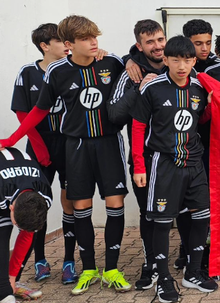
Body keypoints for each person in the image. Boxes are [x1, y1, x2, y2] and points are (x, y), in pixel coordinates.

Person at [0, 15, 130, 295]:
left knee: (114, 204)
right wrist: (12, 138)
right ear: (69, 44)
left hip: (109, 144)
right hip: (77, 146)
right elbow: (40, 110)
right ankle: (89, 270)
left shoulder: (113, 63)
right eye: (86, 38)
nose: (94, 42)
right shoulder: (57, 71)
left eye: (95, 36)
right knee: (80, 207)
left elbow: (138, 72)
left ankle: (112, 269)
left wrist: (131, 60)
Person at [131, 35, 218, 302]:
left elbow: (199, 118)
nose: (182, 65)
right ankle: (163, 278)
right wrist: (138, 165)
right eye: (176, 60)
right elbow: (138, 127)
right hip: (163, 163)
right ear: (166, 60)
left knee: (201, 216)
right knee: (162, 221)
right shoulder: (153, 88)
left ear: (194, 61)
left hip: (194, 162)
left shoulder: (198, 88)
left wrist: (212, 107)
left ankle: (192, 272)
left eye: (187, 60)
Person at [10, 22, 78, 290]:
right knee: (37, 202)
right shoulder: (27, 73)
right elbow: (22, 113)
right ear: (45, 46)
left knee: (71, 201)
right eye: (62, 41)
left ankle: (70, 260)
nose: (67, 46)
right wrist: (38, 147)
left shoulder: (73, 67)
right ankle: (39, 260)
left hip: (70, 145)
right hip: (39, 148)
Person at [108, 19, 168, 291]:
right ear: (139, 46)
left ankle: (188, 263)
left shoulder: (178, 63)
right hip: (144, 158)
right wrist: (139, 85)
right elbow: (114, 116)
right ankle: (150, 264)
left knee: (184, 213)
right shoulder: (129, 73)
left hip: (178, 158)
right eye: (150, 42)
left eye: (160, 39)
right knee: (149, 214)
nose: (157, 46)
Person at [0, 147, 51, 303]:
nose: (17, 226)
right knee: (2, 233)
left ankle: (11, 283)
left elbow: (27, 234)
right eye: (17, 222)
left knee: (30, 232)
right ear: (11, 207)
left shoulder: (44, 195)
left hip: (16, 181)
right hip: (4, 181)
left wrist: (12, 278)